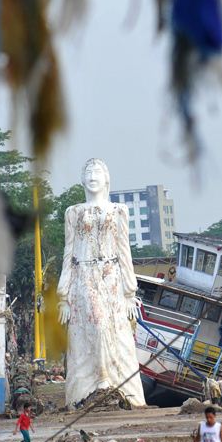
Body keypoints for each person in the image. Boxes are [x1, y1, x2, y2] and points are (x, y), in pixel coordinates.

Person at [56, 158, 146, 407]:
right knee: (95, 325)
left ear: (107, 178)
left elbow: (124, 250)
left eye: (97, 171)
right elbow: (68, 252)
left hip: (112, 276)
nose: (93, 175)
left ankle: (119, 386)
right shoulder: (73, 212)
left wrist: (130, 292)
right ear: (82, 179)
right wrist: (62, 296)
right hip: (83, 276)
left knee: (115, 329)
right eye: (88, 171)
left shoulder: (119, 211)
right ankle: (98, 382)